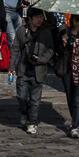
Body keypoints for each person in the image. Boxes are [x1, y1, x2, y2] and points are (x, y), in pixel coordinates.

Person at [11, 7, 56, 135]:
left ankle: (32, 122)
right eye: (37, 17)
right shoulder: (22, 31)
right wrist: (11, 67)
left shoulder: (46, 32)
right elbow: (15, 49)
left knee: (35, 100)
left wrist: (41, 59)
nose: (39, 20)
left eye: (41, 17)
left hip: (38, 70)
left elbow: (50, 49)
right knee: (21, 96)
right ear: (29, 18)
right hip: (23, 69)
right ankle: (24, 113)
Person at [56, 14, 79, 138]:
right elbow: (59, 51)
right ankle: (75, 119)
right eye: (76, 21)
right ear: (72, 20)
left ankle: (75, 126)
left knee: (78, 99)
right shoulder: (64, 32)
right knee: (70, 97)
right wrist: (64, 42)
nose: (78, 24)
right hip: (67, 68)